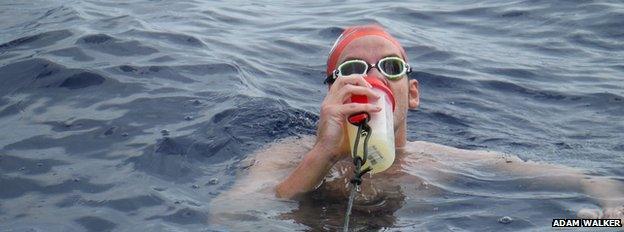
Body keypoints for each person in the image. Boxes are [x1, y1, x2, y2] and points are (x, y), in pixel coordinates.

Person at [210, 24, 623, 230]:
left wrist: (611, 209)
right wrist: (322, 154)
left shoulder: (440, 161)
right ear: (331, 92)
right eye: (353, 69)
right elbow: (230, 215)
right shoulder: (289, 155)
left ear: (412, 94)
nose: (373, 78)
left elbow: (587, 179)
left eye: (390, 67)